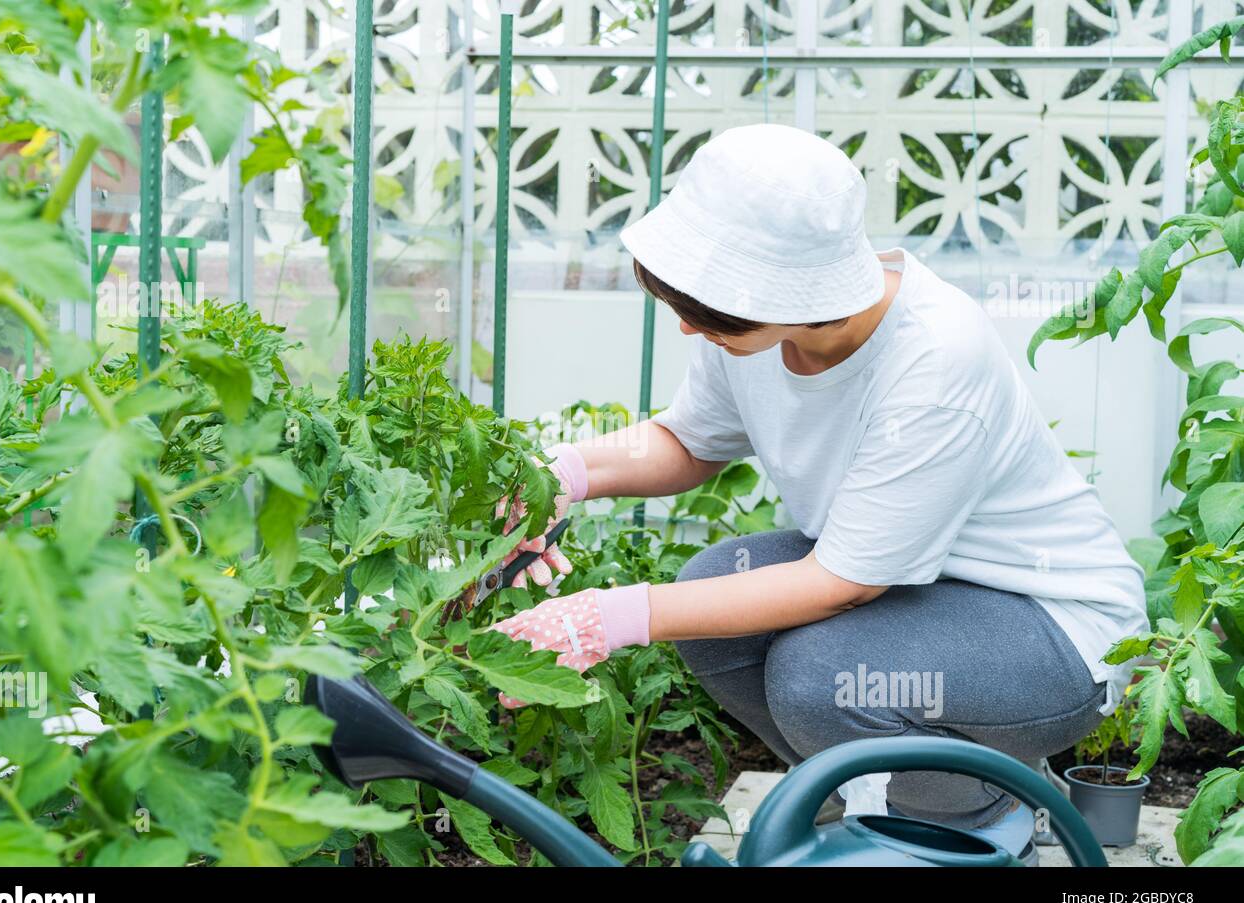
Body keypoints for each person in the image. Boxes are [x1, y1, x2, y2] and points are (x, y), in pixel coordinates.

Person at [489, 124, 1148, 860]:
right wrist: (564, 474)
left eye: (708, 314)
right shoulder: (758, 333)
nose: (685, 326)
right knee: (712, 597)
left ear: (799, 295)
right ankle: (856, 799)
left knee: (823, 677)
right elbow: (689, 441)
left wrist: (605, 617)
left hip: (1051, 635)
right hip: (921, 600)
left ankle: (967, 819)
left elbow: (841, 584)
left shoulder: (934, 359)